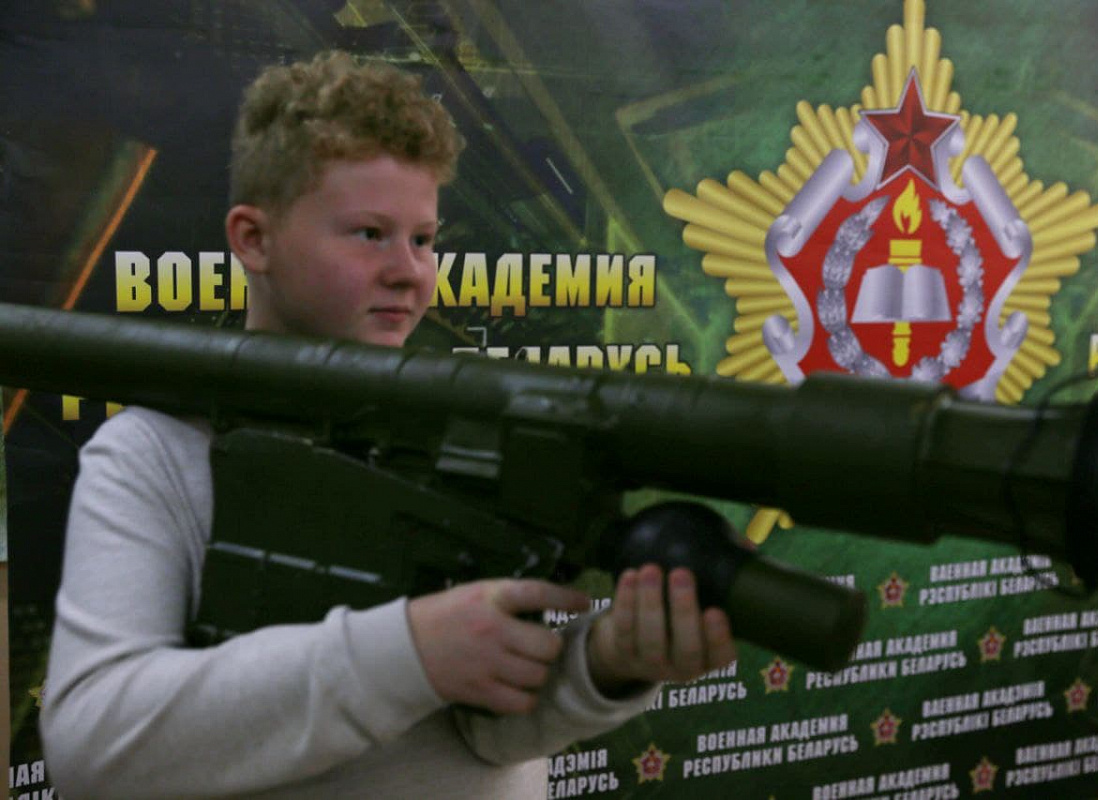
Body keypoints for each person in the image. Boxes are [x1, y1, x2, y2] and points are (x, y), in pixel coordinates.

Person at [40, 51, 737, 798]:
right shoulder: (155, 452)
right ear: (253, 239)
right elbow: (95, 745)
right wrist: (408, 654)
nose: (409, 270)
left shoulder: (461, 429)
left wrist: (603, 664)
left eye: (424, 239)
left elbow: (487, 730)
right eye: (370, 233)